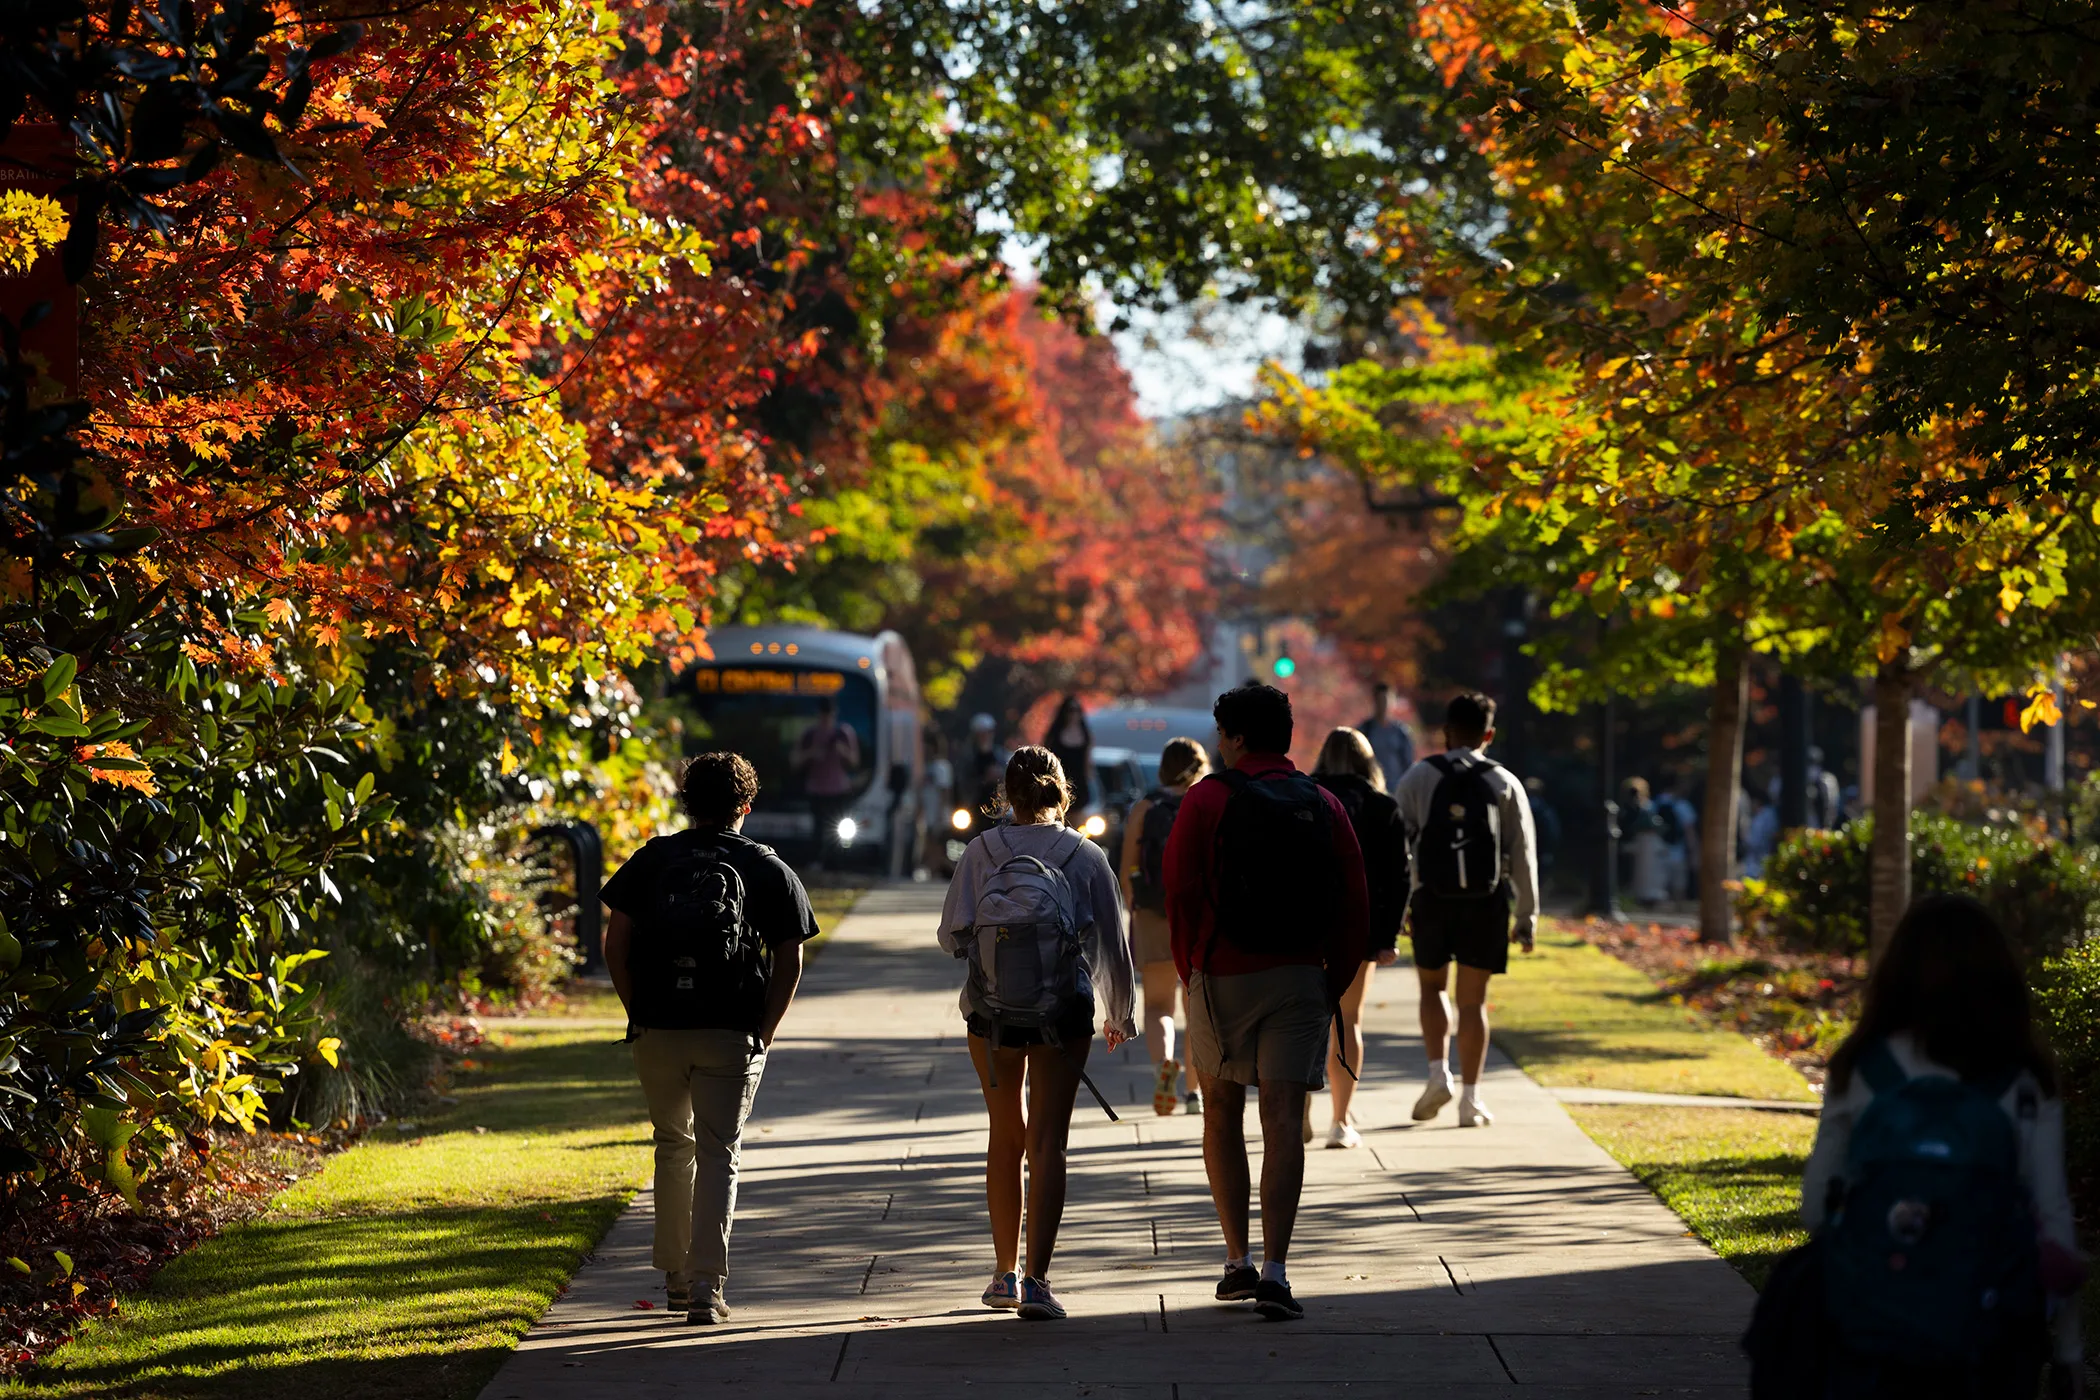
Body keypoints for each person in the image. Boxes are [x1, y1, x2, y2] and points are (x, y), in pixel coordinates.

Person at [1798, 895, 2084, 1398]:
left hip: (1874, 1322)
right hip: (1990, 1329)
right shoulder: (2025, 1080)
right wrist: (2069, 1353)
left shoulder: (1861, 1068)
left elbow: (1817, 1205)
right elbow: (2052, 1215)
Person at [1164, 683, 1369, 1322]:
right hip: (1302, 976)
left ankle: (1236, 1260)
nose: (1220, 744)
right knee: (1284, 1122)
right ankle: (1277, 1271)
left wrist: (1192, 967)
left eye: (1223, 735)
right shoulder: (1323, 802)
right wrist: (1329, 977)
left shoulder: (1206, 799)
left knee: (1220, 1112)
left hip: (1222, 971)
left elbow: (1178, 892)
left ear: (1236, 738)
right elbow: (1355, 899)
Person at [600, 752, 819, 1324]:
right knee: (719, 1150)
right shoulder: (766, 867)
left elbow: (614, 943)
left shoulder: (653, 859)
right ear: (745, 807)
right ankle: (705, 1287)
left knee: (674, 1145)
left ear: (687, 804)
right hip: (730, 1030)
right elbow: (790, 957)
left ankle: (672, 1276)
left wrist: (638, 1011)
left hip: (658, 1028)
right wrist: (763, 1032)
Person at [937, 746, 1136, 1322]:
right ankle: (1038, 1281)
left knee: (1006, 1133)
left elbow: (952, 936)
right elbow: (1111, 949)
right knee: (1048, 1142)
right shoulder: (1085, 854)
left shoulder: (981, 851)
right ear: (1062, 791)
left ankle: (1001, 1274)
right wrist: (1119, 1014)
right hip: (1062, 1013)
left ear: (1006, 793)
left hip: (990, 1013)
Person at [1396, 693, 1539, 1128]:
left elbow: (1396, 844)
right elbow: (1523, 850)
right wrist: (1526, 915)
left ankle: (1439, 1072)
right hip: (1486, 903)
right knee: (1473, 1002)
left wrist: (1399, 903)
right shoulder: (1504, 782)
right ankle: (1471, 1100)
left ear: (1445, 732)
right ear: (1488, 734)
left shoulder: (1419, 776)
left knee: (1432, 989)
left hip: (1431, 900)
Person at [1310, 727, 1407, 1149]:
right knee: (1348, 1021)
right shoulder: (1382, 807)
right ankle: (1340, 1119)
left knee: (1305, 1022)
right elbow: (1398, 877)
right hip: (1359, 928)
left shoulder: (1305, 799)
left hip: (1308, 929)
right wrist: (1387, 937)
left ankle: (1297, 1113)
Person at [1118, 735, 1211, 1118]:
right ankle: (1194, 1093)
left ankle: (1163, 1069)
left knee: (1158, 1006)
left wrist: (1133, 908)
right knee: (1197, 1009)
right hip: (1199, 919)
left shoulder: (1146, 807)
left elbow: (1126, 868)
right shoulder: (1205, 802)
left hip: (1155, 915)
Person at [792, 697, 861, 856]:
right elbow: (794, 761)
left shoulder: (843, 733)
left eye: (829, 714)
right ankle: (816, 859)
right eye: (824, 714)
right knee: (818, 828)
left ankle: (835, 860)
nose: (826, 718)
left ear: (834, 714)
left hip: (838, 790)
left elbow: (855, 761)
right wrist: (811, 754)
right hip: (816, 789)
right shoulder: (809, 734)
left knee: (838, 828)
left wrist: (842, 751)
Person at [1357, 680, 1417, 796]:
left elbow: (1408, 764)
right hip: (1370, 791)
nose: (1383, 705)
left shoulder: (1400, 732)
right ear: (1374, 701)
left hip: (1396, 791)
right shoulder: (1365, 730)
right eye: (1380, 700)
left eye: (1386, 700)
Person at [1042, 696, 1097, 813]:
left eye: (1077, 710)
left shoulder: (1086, 735)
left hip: (1079, 787)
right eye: (1071, 710)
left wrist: (1090, 782)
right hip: (1058, 786)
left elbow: (1088, 764)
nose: (1074, 714)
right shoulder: (1055, 736)